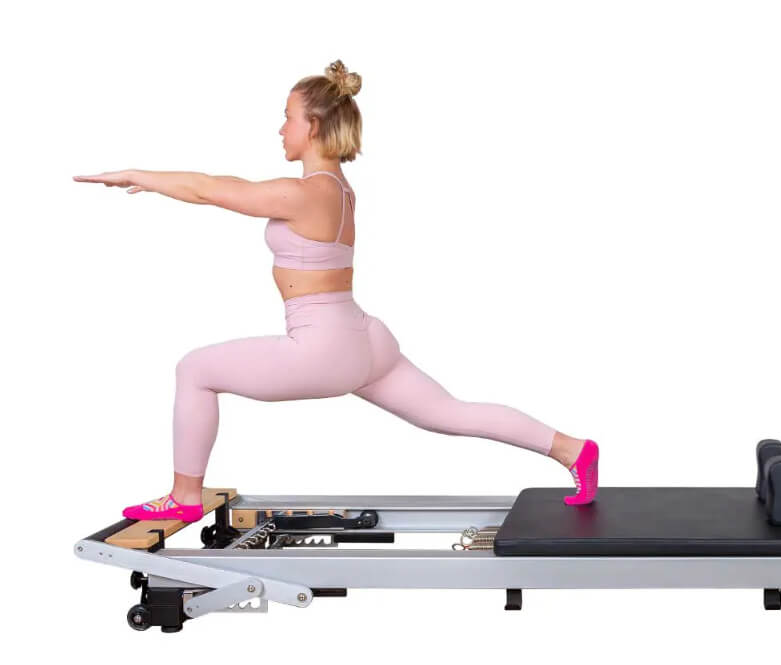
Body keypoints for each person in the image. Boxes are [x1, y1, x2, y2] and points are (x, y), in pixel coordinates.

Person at [74, 60, 599, 522]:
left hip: (324, 346)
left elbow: (209, 188)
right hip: (365, 341)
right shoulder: (341, 190)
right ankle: (572, 450)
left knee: (194, 370)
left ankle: (184, 495)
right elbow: (215, 188)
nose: (281, 128)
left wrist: (136, 174)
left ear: (314, 126)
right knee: (451, 412)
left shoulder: (305, 193)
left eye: (288, 117)